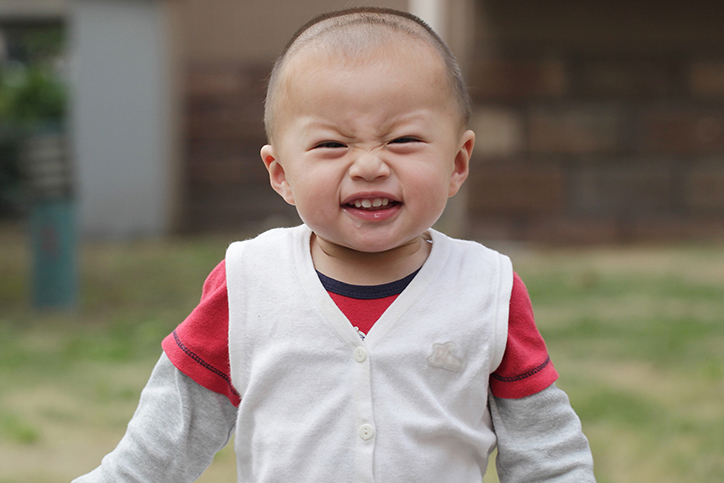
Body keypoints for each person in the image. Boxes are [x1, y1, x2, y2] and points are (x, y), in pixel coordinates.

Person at [74, 7, 595, 482]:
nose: (370, 165)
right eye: (331, 145)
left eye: (403, 140)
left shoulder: (487, 291)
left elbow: (548, 456)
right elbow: (163, 442)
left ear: (458, 162)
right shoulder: (250, 283)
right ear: (281, 173)